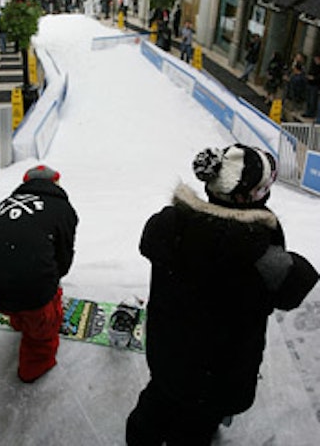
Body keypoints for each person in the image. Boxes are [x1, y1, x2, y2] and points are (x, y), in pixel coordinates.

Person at [126, 144, 318, 446]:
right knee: (194, 429)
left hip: (167, 355)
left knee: (156, 404)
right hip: (216, 377)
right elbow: (297, 286)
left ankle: (141, 438)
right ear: (245, 198)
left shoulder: (168, 223)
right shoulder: (263, 257)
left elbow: (151, 241)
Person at [0, 165, 78, 383]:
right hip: (31, 291)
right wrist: (52, 285)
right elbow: (63, 258)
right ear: (56, 182)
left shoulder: (4, 204)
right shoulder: (62, 209)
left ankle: (19, 318)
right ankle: (33, 368)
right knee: (42, 330)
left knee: (19, 282)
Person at [303, 52, 320, 118]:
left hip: (315, 85)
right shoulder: (313, 65)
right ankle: (308, 112)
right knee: (309, 99)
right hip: (310, 84)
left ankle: (311, 113)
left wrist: (314, 78)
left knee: (313, 100)